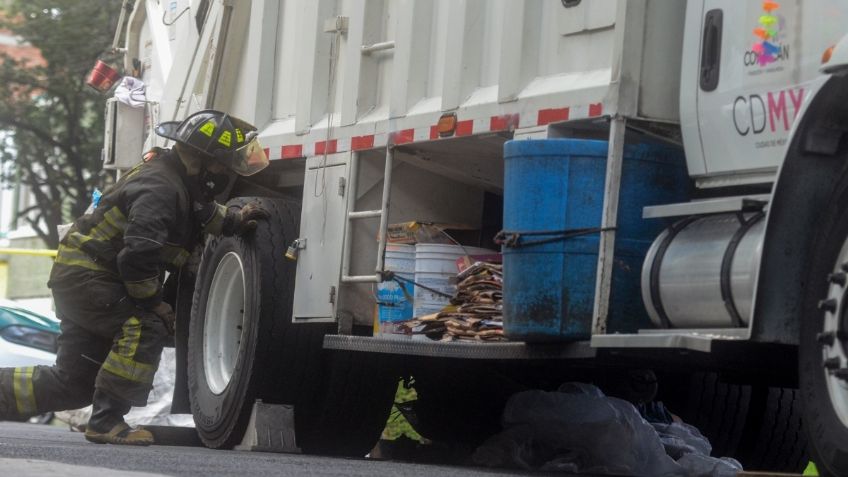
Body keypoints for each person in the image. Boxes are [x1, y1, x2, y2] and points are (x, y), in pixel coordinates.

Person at [0, 110, 270, 445]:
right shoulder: (160, 188)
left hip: (84, 277)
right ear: (202, 161)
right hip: (89, 277)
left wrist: (235, 221)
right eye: (222, 165)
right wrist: (154, 304)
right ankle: (107, 421)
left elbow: (203, 213)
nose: (225, 173)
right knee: (144, 325)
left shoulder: (179, 181)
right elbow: (138, 255)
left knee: (74, 385)